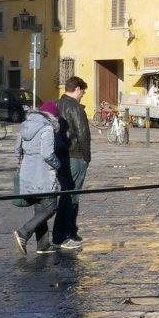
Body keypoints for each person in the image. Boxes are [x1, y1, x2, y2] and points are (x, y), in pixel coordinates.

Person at [12, 102, 61, 253]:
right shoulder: (47, 128)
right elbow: (47, 154)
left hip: (27, 171)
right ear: (52, 116)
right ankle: (24, 232)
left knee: (40, 209)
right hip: (43, 173)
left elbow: (16, 150)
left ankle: (43, 245)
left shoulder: (25, 125)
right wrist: (58, 165)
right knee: (51, 207)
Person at [51, 78, 92, 250]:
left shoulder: (56, 104)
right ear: (77, 89)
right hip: (74, 155)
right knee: (70, 196)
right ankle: (61, 236)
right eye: (83, 91)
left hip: (59, 154)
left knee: (68, 193)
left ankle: (71, 230)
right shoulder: (75, 107)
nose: (83, 95)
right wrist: (86, 157)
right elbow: (82, 133)